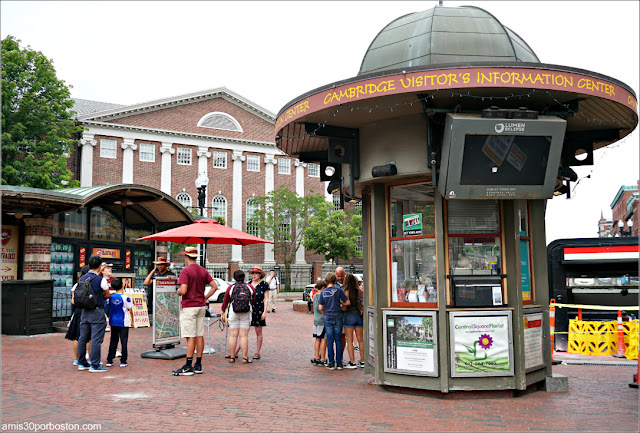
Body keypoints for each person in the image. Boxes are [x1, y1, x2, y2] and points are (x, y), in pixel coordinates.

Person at [172, 247, 218, 376]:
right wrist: (206, 297)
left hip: (189, 306)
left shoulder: (185, 271)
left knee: (190, 336)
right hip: (201, 306)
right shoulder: (203, 270)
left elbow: (184, 290)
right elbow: (214, 286)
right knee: (199, 335)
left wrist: (178, 291)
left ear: (186, 257)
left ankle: (188, 365)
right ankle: (198, 364)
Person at [77, 255, 111, 372]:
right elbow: (106, 294)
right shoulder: (100, 279)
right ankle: (95, 365)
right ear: (99, 266)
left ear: (88, 265)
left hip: (84, 311)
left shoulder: (81, 278)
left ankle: (82, 363)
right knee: (96, 339)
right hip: (96, 311)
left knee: (83, 338)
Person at [221, 270, 256, 364]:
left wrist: (223, 311)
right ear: (244, 277)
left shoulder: (231, 288)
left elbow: (225, 301)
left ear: (234, 278)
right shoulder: (250, 287)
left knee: (233, 335)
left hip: (233, 312)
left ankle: (232, 357)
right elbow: (253, 301)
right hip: (246, 312)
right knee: (243, 336)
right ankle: (244, 358)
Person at [317, 272, 349, 370]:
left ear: (326, 281)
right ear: (335, 280)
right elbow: (347, 302)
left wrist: (324, 315)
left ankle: (331, 362)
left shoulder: (323, 292)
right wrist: (341, 305)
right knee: (338, 340)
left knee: (329, 340)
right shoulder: (338, 290)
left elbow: (320, 307)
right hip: (338, 316)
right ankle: (339, 363)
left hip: (328, 317)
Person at [66, 265, 90, 365]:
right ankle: (89, 359)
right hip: (88, 311)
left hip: (78, 311)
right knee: (89, 337)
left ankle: (77, 359)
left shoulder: (77, 285)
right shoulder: (90, 284)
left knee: (76, 336)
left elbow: (73, 301)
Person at [106, 278, 132, 368]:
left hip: (113, 321)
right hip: (123, 321)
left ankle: (109, 360)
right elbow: (130, 308)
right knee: (124, 341)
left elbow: (109, 307)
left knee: (113, 340)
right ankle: (123, 361)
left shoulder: (111, 297)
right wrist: (132, 320)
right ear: (122, 285)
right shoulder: (125, 298)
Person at [343, 273, 365, 369]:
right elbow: (362, 303)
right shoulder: (359, 291)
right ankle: (363, 361)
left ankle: (352, 362)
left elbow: (344, 306)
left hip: (348, 317)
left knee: (350, 341)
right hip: (358, 316)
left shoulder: (346, 291)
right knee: (361, 341)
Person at [248, 266, 269, 360]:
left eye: (256, 273)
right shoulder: (248, 284)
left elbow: (266, 299)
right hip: (248, 310)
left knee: (258, 332)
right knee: (244, 331)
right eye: (253, 273)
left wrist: (264, 312)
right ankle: (236, 351)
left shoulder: (264, 284)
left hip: (259, 309)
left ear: (260, 275)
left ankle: (257, 352)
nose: (254, 275)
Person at [311, 279, 328, 366]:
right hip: (322, 320)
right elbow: (321, 308)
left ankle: (317, 357)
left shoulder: (314, 296)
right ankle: (322, 358)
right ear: (323, 287)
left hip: (315, 320)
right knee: (323, 339)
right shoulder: (323, 296)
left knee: (317, 339)